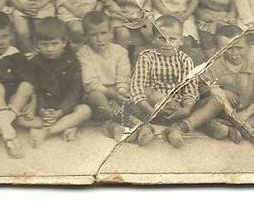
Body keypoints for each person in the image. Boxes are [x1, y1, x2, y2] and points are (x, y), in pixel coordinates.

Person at [164, 24, 254, 148]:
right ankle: (180, 127)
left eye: (239, 48)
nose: (235, 53)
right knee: (218, 99)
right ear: (219, 49)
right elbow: (201, 87)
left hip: (239, 113)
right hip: (213, 109)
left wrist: (246, 113)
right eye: (228, 49)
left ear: (249, 46)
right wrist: (220, 91)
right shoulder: (214, 65)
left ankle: (227, 129)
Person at [128, 15, 199, 148]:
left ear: (181, 41)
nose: (167, 44)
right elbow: (137, 86)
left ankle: (173, 131)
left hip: (175, 108)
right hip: (150, 107)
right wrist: (149, 109)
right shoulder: (147, 57)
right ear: (154, 39)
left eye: (172, 39)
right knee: (145, 93)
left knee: (197, 107)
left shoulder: (185, 60)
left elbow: (190, 89)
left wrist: (187, 107)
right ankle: (146, 129)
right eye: (162, 38)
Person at [25, 17, 92, 147]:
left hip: (66, 107)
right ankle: (65, 125)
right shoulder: (34, 63)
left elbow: (74, 91)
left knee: (85, 110)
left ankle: (48, 131)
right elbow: (35, 90)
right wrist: (42, 110)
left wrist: (61, 111)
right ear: (36, 44)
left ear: (64, 42)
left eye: (54, 44)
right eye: (44, 44)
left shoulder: (72, 61)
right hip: (45, 109)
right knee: (20, 116)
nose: (49, 49)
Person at [0, 11, 34, 158]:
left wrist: (33, 101)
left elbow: (28, 79)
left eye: (5, 36)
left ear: (12, 35)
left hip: (14, 103)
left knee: (27, 86)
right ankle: (10, 137)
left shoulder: (16, 55)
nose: (1, 42)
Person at [76, 11, 132, 141]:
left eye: (103, 33)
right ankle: (117, 121)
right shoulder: (83, 53)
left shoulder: (120, 52)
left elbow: (123, 76)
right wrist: (113, 95)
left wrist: (121, 92)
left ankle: (116, 123)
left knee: (131, 96)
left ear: (111, 33)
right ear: (85, 36)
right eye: (93, 35)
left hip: (117, 91)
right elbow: (90, 83)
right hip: (96, 94)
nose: (99, 39)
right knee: (96, 96)